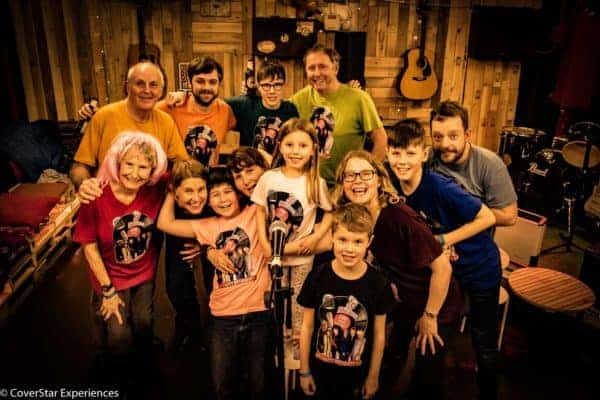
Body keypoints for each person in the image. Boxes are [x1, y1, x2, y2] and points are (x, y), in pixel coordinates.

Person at [332, 150, 463, 399]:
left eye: (365, 174)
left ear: (380, 179)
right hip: (405, 300)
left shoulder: (400, 217)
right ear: (342, 184)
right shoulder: (360, 217)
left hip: (437, 302)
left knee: (427, 372)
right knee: (390, 358)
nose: (357, 181)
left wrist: (430, 315)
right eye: (350, 175)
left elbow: (442, 267)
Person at [386, 118, 501, 399]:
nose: (402, 161)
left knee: (483, 343)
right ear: (387, 153)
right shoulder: (394, 187)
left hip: (479, 267)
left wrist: (442, 241)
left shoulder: (439, 186)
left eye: (410, 153)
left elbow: (488, 217)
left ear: (424, 155)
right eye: (396, 153)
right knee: (427, 341)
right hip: (448, 273)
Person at [157, 166, 274, 400]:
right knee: (220, 384)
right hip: (222, 316)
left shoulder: (256, 212)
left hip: (259, 312)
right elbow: (164, 223)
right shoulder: (208, 225)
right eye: (215, 194)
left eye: (228, 192)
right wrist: (172, 190)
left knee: (258, 383)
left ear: (238, 192)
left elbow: (271, 180)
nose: (222, 199)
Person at [72, 132, 168, 387]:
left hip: (143, 274)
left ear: (152, 171)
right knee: (118, 335)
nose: (135, 173)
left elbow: (188, 176)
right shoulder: (96, 195)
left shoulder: (156, 187)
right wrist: (108, 291)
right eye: (129, 164)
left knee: (144, 322)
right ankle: (118, 378)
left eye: (143, 167)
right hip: (109, 277)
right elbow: (88, 246)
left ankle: (143, 368)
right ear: (117, 163)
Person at [251, 118, 333, 363]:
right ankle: (276, 351)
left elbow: (329, 211)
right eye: (289, 145)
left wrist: (316, 236)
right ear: (280, 145)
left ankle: (298, 359)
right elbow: (259, 211)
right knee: (274, 305)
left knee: (299, 307)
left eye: (302, 145)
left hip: (301, 258)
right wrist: (265, 243)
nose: (295, 151)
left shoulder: (315, 183)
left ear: (313, 150)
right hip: (273, 256)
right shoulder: (269, 178)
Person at [298, 203, 395, 399]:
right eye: (342, 240)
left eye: (358, 242)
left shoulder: (379, 284)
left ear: (369, 241)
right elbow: (307, 328)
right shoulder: (316, 277)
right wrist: (304, 371)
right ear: (332, 237)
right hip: (319, 374)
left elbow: (379, 335)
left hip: (357, 378)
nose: (349, 249)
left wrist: (373, 377)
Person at [70, 62, 188, 200]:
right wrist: (85, 184)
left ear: (161, 91)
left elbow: (181, 163)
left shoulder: (166, 121)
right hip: (108, 200)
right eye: (140, 83)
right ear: (128, 87)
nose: (147, 90)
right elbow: (79, 167)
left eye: (154, 85)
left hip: (150, 202)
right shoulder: (104, 116)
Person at [290, 44, 387, 186]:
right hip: (311, 185)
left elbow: (381, 141)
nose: (317, 73)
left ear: (335, 68)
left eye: (323, 66)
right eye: (311, 68)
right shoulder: (300, 98)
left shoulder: (359, 99)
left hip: (347, 186)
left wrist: (366, 175)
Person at [429, 100, 518, 227]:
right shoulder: (427, 157)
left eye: (453, 136)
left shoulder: (490, 164)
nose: (444, 145)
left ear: (467, 135)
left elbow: (509, 217)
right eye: (437, 137)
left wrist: (459, 209)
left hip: (471, 241)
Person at [164, 159, 211, 354]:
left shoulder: (212, 205)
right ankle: (187, 324)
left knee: (213, 282)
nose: (196, 197)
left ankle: (215, 326)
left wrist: (204, 246)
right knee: (176, 284)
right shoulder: (170, 207)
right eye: (189, 191)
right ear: (175, 193)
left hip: (212, 238)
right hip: (179, 235)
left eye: (201, 190)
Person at [157, 56, 236, 166]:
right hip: (180, 179)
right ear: (190, 83)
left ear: (219, 85)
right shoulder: (172, 106)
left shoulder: (225, 110)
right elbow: (143, 112)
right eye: (200, 81)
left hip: (209, 178)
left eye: (212, 82)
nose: (207, 87)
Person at [226, 61, 299, 149]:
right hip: (251, 161)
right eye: (266, 85)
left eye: (277, 85)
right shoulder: (245, 105)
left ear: (284, 85)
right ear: (259, 86)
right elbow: (214, 104)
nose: (272, 91)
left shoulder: (290, 110)